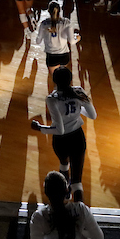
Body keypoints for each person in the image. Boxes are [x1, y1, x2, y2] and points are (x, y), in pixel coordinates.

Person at [31, 66, 96, 204]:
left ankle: (64, 196)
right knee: (77, 181)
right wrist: (78, 111)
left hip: (61, 141)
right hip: (78, 137)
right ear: (70, 79)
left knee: (63, 163)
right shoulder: (79, 91)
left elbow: (59, 129)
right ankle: (80, 212)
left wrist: (40, 128)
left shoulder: (52, 99)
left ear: (54, 81)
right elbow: (93, 115)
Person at [32, 1, 72, 89]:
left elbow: (38, 41)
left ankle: (54, 97)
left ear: (49, 11)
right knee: (63, 79)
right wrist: (77, 38)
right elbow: (72, 41)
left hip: (51, 56)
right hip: (64, 55)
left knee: (54, 79)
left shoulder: (44, 24)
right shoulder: (66, 22)